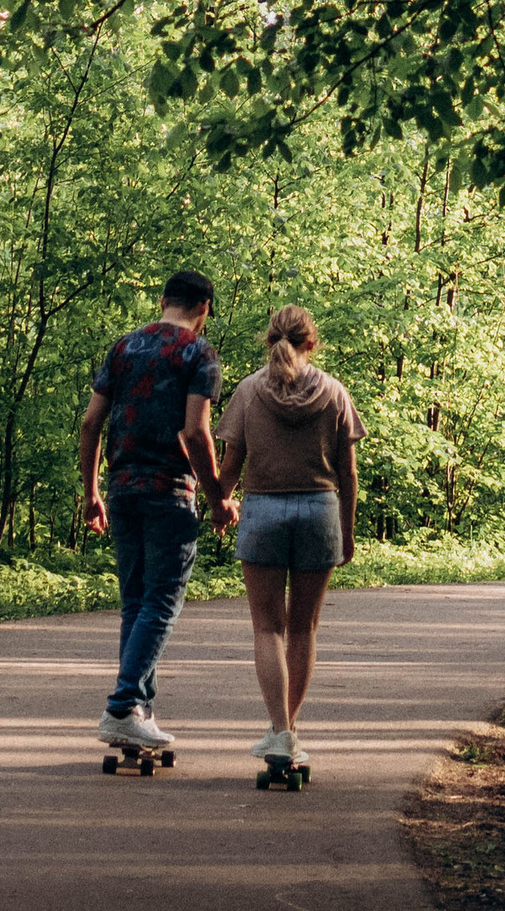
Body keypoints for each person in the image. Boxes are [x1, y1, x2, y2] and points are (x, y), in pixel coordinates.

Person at [211, 302, 363, 771]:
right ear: (311, 343)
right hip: (320, 512)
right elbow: (349, 473)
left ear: (270, 339)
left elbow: (230, 467)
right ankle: (289, 732)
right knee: (303, 629)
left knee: (267, 628)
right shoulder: (334, 393)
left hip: (263, 511)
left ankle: (278, 731)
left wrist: (220, 503)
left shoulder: (249, 392)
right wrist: (347, 531)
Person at [79, 269, 223, 754]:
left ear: (163, 300)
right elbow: (196, 433)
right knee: (161, 602)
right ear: (203, 308)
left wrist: (90, 491)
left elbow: (91, 423)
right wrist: (219, 496)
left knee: (136, 603)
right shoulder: (198, 354)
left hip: (121, 489)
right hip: (169, 491)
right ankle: (121, 707)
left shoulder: (122, 348)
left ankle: (139, 712)